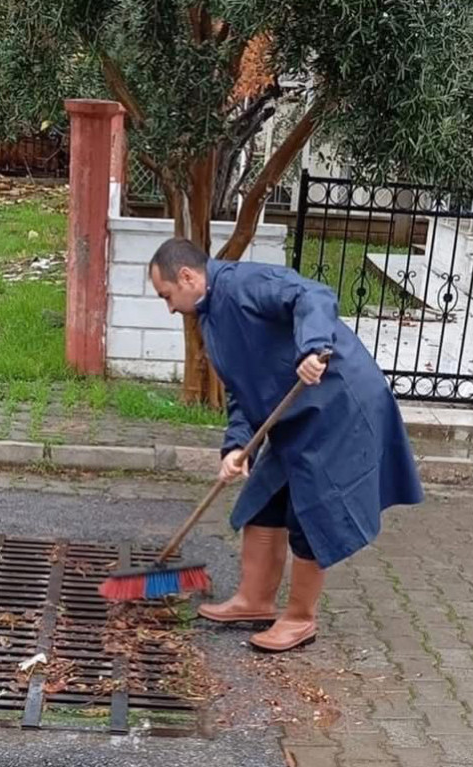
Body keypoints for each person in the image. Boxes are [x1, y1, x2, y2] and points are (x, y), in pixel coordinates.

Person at [148, 238, 424, 652]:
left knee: (310, 508)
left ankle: (299, 619)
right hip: (296, 410)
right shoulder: (210, 319)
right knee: (263, 498)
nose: (169, 308)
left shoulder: (245, 283)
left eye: (167, 296)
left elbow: (312, 294)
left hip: (336, 402)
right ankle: (253, 600)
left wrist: (313, 347)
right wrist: (236, 447)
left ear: (187, 276)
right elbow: (243, 391)